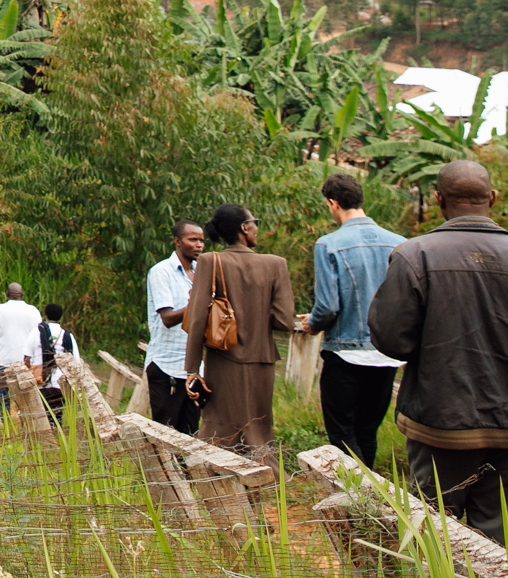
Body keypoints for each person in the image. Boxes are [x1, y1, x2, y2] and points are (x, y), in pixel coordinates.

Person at [367, 160, 508, 548]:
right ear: (492, 198)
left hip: (441, 424)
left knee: (432, 537)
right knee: (496, 545)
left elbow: (391, 341)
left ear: (438, 199)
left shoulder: (415, 256)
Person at [298, 171, 405, 469]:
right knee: (367, 432)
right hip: (385, 354)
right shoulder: (399, 242)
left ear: (333, 203)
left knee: (342, 435)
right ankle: (369, 499)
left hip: (345, 353)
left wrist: (312, 323)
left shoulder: (329, 244)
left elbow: (328, 306)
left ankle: (356, 499)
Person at [183, 203, 295, 462]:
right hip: (262, 359)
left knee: (219, 428)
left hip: (222, 359)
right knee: (258, 428)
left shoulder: (211, 261)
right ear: (245, 228)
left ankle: (217, 479)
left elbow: (198, 318)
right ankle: (265, 479)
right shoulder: (276, 264)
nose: (256, 228)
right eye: (254, 222)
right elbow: (284, 321)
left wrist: (191, 370)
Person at [145, 221, 205, 433]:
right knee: (166, 433)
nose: (199, 245)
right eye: (193, 240)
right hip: (165, 365)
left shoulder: (201, 273)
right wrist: (200, 303)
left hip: (192, 368)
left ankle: (186, 469)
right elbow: (168, 318)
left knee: (189, 432)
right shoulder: (162, 272)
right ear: (178, 242)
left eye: (201, 240)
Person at [0, 283, 42, 416]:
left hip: (3, 358)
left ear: (7, 294)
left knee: (1, 391)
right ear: (22, 294)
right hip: (26, 360)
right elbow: (39, 334)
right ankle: (28, 419)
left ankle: (3, 421)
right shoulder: (33, 311)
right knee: (27, 392)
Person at [37, 302, 78, 423]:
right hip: (60, 381)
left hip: (41, 380)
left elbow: (27, 355)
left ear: (46, 316)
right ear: (60, 317)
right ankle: (56, 430)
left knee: (42, 413)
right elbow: (76, 359)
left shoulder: (37, 332)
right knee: (57, 413)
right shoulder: (67, 335)